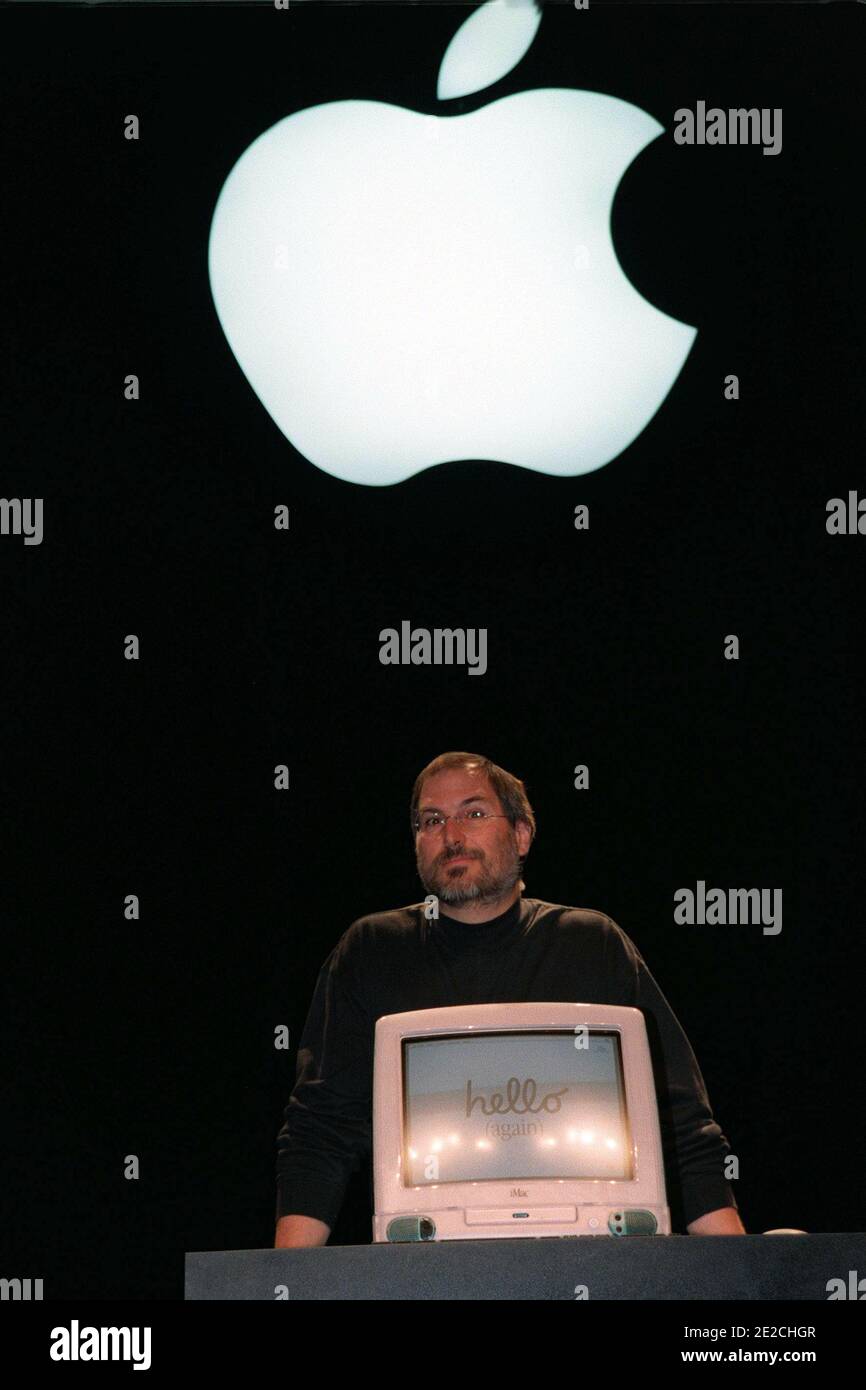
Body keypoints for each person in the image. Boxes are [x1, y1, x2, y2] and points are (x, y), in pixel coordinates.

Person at [274, 751, 746, 1247]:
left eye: (474, 813)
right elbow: (320, 1128)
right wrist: (283, 1282)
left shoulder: (591, 945)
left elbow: (680, 1122)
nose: (452, 835)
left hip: (595, 1260)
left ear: (521, 834)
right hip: (432, 1273)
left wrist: (737, 1275)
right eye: (431, 820)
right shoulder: (371, 951)